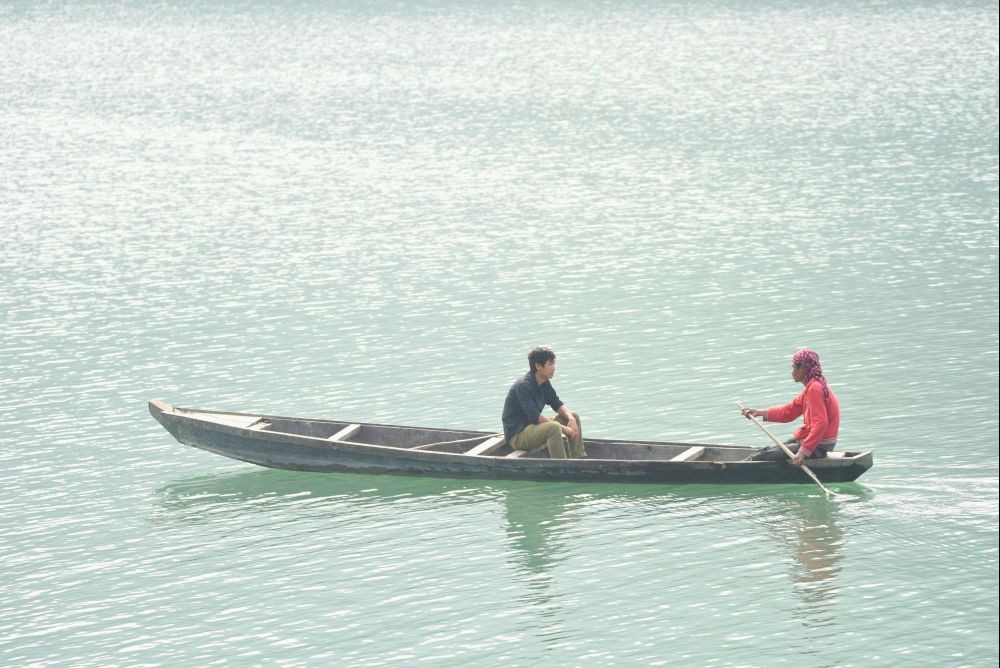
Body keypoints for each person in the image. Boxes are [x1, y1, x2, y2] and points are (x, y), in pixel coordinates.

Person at [741, 348, 840, 466]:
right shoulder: (811, 388)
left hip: (818, 446)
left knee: (762, 456)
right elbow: (788, 412)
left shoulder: (815, 389)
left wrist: (803, 452)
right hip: (816, 443)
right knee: (770, 450)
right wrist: (759, 412)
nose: (792, 371)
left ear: (802, 367)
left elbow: (821, 423)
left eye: (793, 367)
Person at [501, 347, 586, 459]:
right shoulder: (523, 386)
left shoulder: (544, 382)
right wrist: (565, 429)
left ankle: (579, 458)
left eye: (553, 364)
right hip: (518, 435)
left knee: (573, 415)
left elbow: (557, 403)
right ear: (538, 366)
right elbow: (535, 417)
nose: (553, 368)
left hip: (533, 428)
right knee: (553, 427)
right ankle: (562, 466)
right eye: (550, 364)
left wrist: (571, 419)